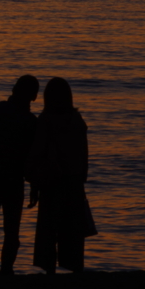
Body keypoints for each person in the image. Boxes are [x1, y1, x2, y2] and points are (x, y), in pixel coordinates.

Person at [25, 77, 97, 274]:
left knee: (49, 231)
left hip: (52, 183)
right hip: (73, 183)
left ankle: (49, 272)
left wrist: (34, 181)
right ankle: (75, 270)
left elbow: (38, 153)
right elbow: (84, 155)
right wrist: (81, 178)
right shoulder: (77, 121)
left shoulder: (46, 121)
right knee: (72, 233)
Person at [0, 75, 39, 276]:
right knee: (11, 230)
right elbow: (32, 157)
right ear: (34, 96)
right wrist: (34, 187)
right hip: (13, 179)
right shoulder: (30, 122)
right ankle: (6, 269)